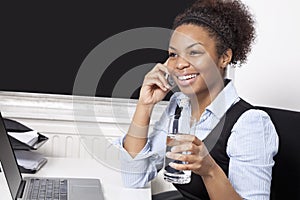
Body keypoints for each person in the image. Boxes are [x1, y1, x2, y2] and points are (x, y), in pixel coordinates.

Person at [117, 0, 279, 199]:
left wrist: (209, 169)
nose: (180, 64)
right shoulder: (179, 106)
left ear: (224, 57)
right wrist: (145, 105)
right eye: (173, 54)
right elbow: (134, 178)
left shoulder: (250, 123)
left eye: (194, 52)